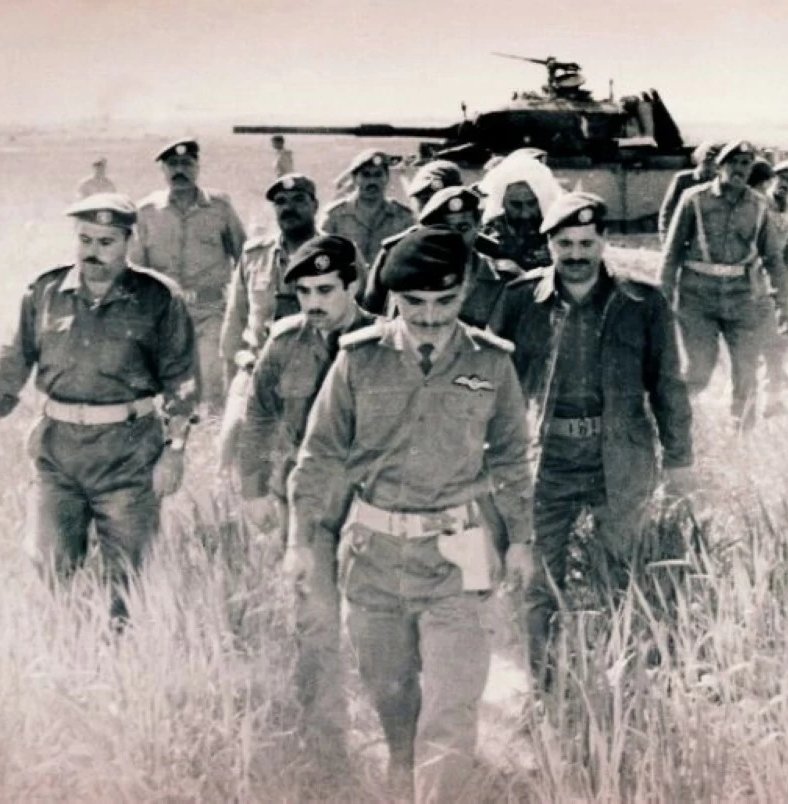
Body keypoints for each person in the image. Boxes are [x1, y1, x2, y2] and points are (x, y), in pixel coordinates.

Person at [286, 227, 536, 801]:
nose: (428, 316)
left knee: (450, 708)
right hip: (374, 558)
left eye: (444, 301)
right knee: (393, 696)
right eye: (414, 302)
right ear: (394, 296)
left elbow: (511, 459)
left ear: (464, 292)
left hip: (459, 557)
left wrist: (521, 539)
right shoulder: (359, 360)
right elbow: (319, 456)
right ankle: (404, 766)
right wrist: (299, 542)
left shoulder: (491, 363)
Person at [489, 192, 694, 688]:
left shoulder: (642, 302)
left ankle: (623, 683)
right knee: (536, 580)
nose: (576, 254)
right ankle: (541, 686)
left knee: (621, 575)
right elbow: (492, 382)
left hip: (619, 459)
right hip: (545, 461)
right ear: (549, 245)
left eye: (586, 242)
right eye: (565, 244)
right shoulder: (519, 300)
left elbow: (667, 384)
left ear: (603, 241)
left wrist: (679, 458)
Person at [0, 193, 200, 625]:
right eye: (85, 240)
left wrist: (175, 451)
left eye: (106, 242)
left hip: (129, 453)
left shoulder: (158, 298)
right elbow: (10, 365)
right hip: (58, 452)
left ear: (128, 241)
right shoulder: (45, 292)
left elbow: (182, 382)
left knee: (129, 575)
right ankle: (69, 640)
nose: (93, 252)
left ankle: (122, 649)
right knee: (50, 564)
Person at [235, 235, 375, 768]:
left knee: (376, 623)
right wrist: (253, 489)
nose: (313, 302)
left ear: (353, 286)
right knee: (316, 622)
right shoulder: (285, 342)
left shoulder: (385, 342)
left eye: (325, 290)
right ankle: (326, 745)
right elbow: (258, 417)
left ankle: (393, 734)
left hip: (369, 503)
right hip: (306, 503)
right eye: (304, 292)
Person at [660, 140, 788, 430]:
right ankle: (671, 424)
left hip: (742, 298)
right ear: (720, 166)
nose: (740, 170)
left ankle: (741, 435)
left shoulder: (759, 205)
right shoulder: (694, 199)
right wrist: (663, 297)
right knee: (699, 371)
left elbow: (773, 257)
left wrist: (783, 301)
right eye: (734, 163)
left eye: (746, 164)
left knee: (746, 371)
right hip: (697, 297)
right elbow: (672, 253)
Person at [132, 138, 247, 412]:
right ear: (163, 170)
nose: (179, 170)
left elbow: (244, 258)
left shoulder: (220, 208)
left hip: (211, 310)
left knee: (211, 381)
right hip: (165, 313)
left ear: (198, 167)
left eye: (186, 163)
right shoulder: (147, 212)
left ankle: (212, 429)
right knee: (169, 384)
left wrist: (241, 307)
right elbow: (136, 270)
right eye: (172, 164)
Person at [217, 173, 322, 470]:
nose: (289, 208)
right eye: (281, 202)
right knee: (231, 445)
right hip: (257, 368)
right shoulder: (255, 255)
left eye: (298, 200)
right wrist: (233, 379)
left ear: (315, 206)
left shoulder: (337, 253)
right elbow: (235, 321)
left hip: (317, 372)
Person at [361, 186, 521, 327]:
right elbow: (375, 318)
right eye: (444, 228)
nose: (454, 237)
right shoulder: (402, 272)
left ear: (478, 226)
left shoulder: (504, 278)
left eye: (463, 228)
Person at [318, 149, 415, 266]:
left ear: (387, 178)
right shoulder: (334, 216)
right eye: (366, 175)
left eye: (378, 175)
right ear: (354, 179)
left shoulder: (403, 217)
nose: (372, 181)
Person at [760, 160, 788, 415]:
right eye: (782, 179)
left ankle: (774, 384)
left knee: (781, 329)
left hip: (779, 277)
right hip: (756, 275)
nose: (785, 185)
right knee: (763, 332)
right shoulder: (758, 204)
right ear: (772, 179)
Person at [476, 152, 562, 272]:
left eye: (531, 203)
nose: (525, 213)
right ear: (502, 201)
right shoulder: (488, 235)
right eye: (516, 205)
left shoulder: (558, 231)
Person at [658, 140, 721, 241]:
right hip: (683, 233)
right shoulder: (683, 179)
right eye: (706, 161)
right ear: (699, 160)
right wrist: (666, 238)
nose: (709, 166)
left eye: (714, 162)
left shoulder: (719, 182)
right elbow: (667, 211)